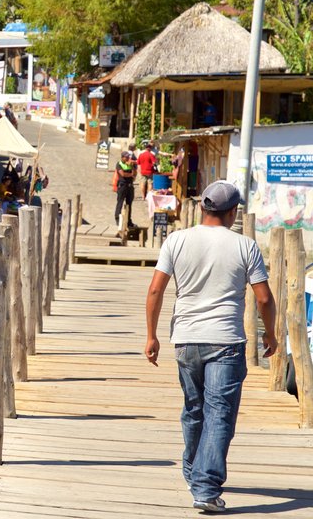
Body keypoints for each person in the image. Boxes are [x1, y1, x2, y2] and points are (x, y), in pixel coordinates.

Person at [145, 181, 277, 514]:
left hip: (186, 339)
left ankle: (194, 472)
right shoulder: (245, 245)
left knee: (194, 408)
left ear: (203, 208)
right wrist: (270, 334)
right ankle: (205, 487)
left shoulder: (176, 240)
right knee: (219, 415)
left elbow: (155, 291)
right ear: (233, 212)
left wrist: (152, 336)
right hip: (227, 341)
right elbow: (263, 298)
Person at [114, 150, 136, 227]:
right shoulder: (119, 164)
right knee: (120, 202)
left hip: (129, 185)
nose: (127, 158)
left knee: (129, 204)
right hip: (122, 185)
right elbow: (123, 174)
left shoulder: (130, 164)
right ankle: (117, 219)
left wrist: (132, 167)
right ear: (122, 157)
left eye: (128, 157)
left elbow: (134, 174)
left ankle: (129, 221)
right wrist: (131, 174)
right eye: (126, 157)